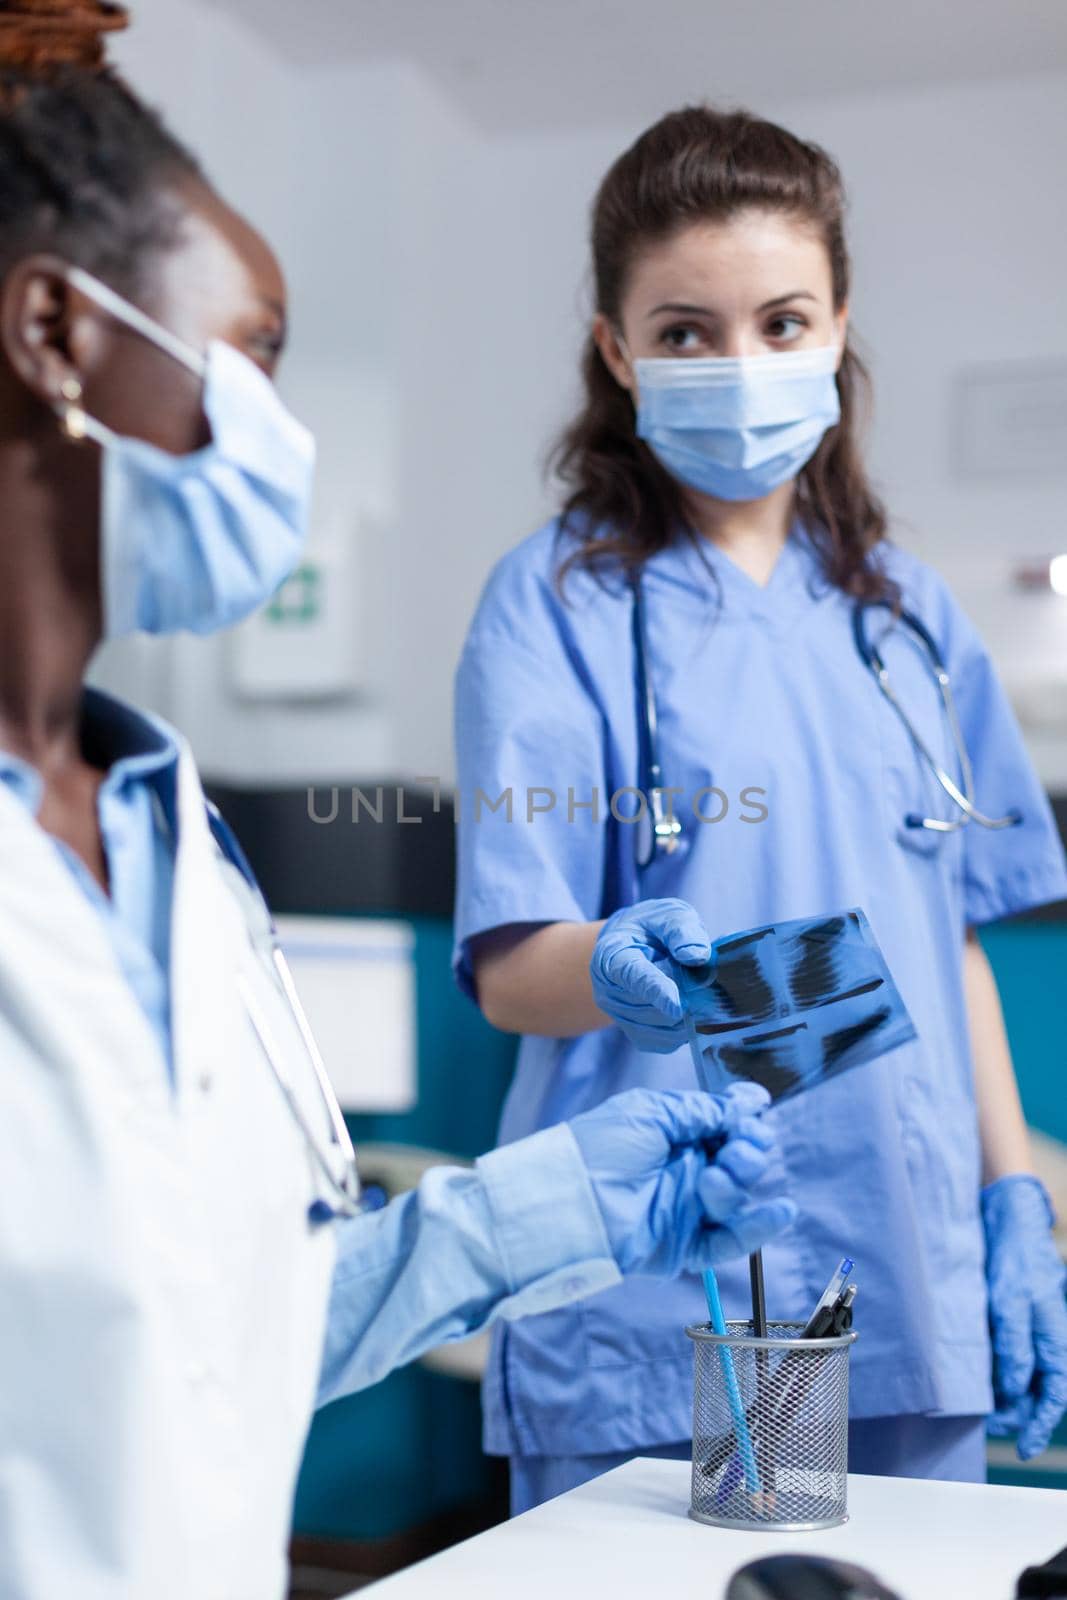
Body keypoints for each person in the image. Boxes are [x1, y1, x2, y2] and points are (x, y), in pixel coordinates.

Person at [0, 16, 799, 1598]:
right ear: (53, 330)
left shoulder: (177, 852)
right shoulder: (549, 608)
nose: (284, 443)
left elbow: (228, 1331)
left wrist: (551, 1204)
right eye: (261, 353)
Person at [453, 104, 1067, 1514]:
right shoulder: (560, 605)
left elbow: (950, 934)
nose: (740, 365)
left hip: (910, 1263)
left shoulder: (905, 616)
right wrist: (621, 969)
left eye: (782, 322)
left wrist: (1015, 1196)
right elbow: (510, 966)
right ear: (618, 351)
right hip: (680, 1269)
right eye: (685, 331)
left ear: (839, 327)